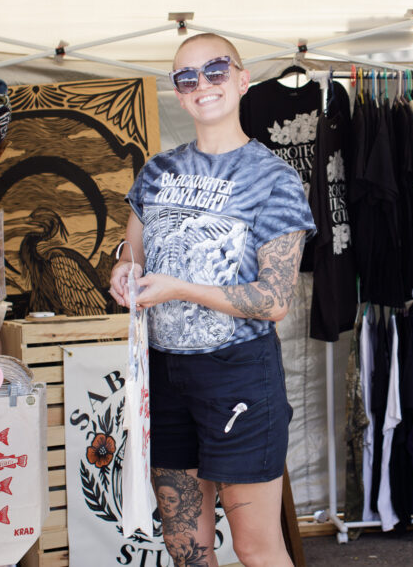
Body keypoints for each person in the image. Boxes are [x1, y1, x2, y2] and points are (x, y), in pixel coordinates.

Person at [109, 33, 315, 567]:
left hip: (238, 375)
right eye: (187, 77)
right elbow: (133, 252)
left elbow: (275, 300)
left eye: (216, 70)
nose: (203, 84)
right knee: (188, 551)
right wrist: (124, 270)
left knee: (255, 546)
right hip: (164, 374)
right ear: (178, 93)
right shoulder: (157, 172)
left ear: (242, 80)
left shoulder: (275, 180)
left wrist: (179, 289)